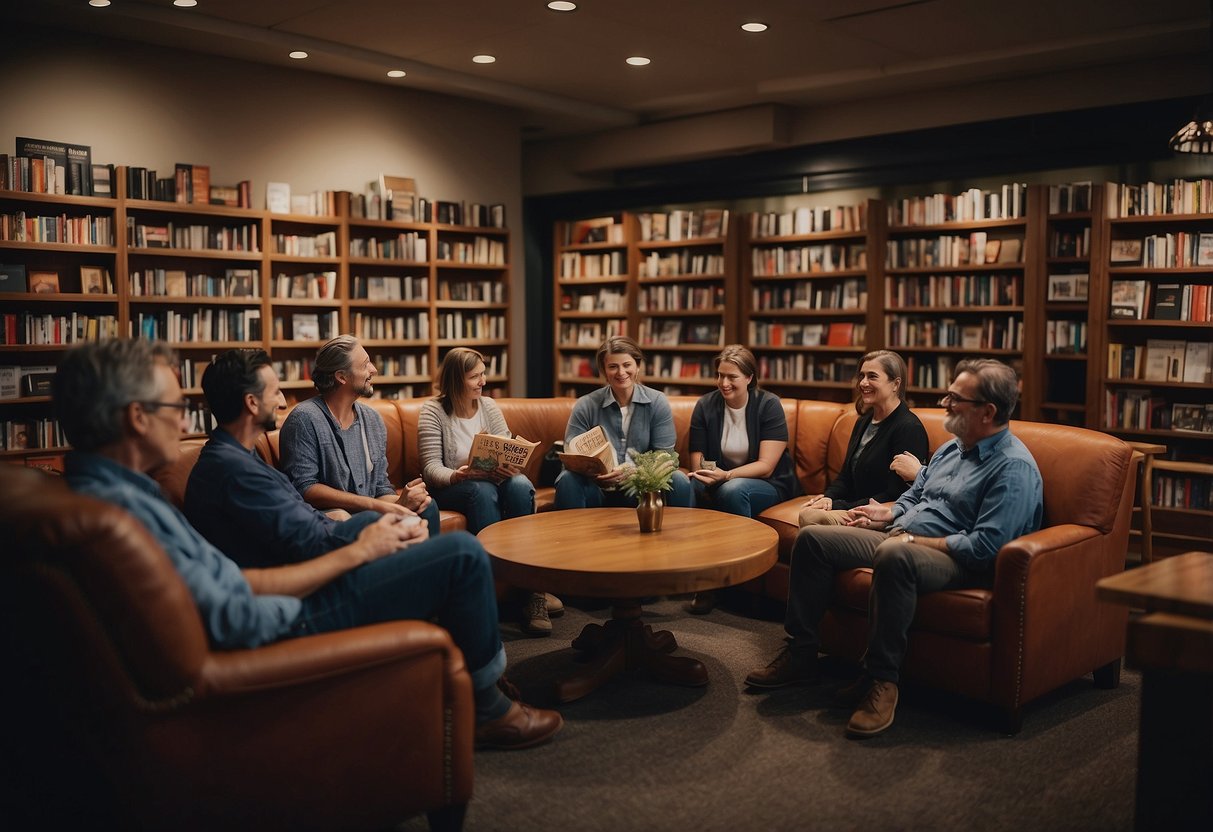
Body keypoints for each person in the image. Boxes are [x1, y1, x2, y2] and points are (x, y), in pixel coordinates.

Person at [61, 342, 560, 750]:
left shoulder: (124, 492)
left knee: (419, 532)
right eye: (174, 407)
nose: (185, 417)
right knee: (461, 554)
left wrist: (373, 524)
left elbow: (227, 577)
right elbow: (233, 600)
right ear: (137, 418)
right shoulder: (127, 513)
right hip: (288, 618)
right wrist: (363, 544)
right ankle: (488, 706)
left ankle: (473, 680)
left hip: (288, 587)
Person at [745, 358, 1042, 740]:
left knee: (894, 554)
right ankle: (802, 653)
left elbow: (986, 547)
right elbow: (915, 495)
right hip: (901, 535)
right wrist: (883, 513)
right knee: (814, 540)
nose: (944, 405)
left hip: (955, 557)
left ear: (988, 411)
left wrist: (913, 540)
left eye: (955, 398)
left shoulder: (1012, 468)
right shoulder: (955, 448)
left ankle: (882, 681)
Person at [418, 347, 558, 637]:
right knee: (482, 491)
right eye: (474, 377)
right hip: (455, 486)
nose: (483, 381)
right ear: (457, 379)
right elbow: (431, 467)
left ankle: (531, 592)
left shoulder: (488, 406)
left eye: (483, 374)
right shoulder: (433, 411)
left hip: (493, 480)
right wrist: (457, 474)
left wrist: (511, 465)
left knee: (520, 485)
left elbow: (505, 446)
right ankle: (493, 585)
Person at [278, 335, 440, 536]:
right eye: (365, 365)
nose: (374, 370)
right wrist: (376, 507)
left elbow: (380, 487)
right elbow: (305, 488)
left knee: (427, 506)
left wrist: (402, 501)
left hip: (370, 510)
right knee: (362, 519)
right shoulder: (304, 419)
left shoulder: (372, 419)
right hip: (330, 516)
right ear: (341, 377)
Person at [683, 344, 800, 614]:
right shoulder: (706, 405)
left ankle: (738, 585)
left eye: (732, 377)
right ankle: (692, 574)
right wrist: (707, 473)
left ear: (749, 378)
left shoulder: (768, 404)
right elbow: (698, 462)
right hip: (720, 481)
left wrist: (726, 475)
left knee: (733, 491)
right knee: (687, 486)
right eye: (720, 375)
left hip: (769, 485)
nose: (724, 383)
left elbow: (766, 466)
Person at [554, 335, 692, 511]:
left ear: (638, 366)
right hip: (596, 486)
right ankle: (569, 537)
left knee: (678, 479)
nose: (621, 373)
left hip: (641, 486)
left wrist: (635, 473)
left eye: (627, 365)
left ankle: (680, 537)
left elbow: (664, 455)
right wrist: (596, 473)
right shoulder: (586, 405)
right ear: (604, 371)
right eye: (613, 367)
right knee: (568, 478)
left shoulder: (657, 402)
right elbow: (571, 455)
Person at [798, 350, 929, 527]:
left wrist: (837, 506)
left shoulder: (909, 428)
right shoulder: (864, 421)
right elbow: (845, 477)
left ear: (895, 384)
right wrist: (828, 498)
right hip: (854, 505)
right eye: (862, 376)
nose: (863, 383)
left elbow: (895, 494)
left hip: (880, 511)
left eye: (872, 376)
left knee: (811, 517)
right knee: (810, 512)